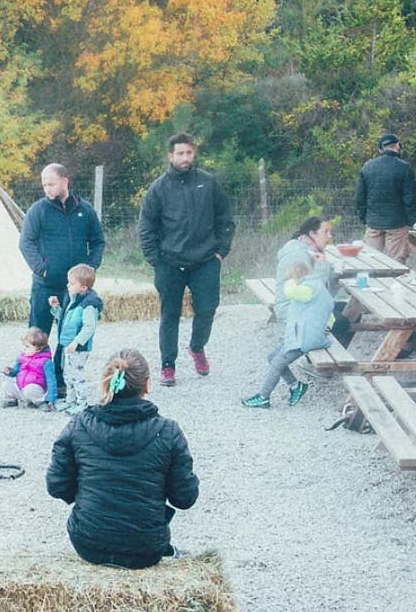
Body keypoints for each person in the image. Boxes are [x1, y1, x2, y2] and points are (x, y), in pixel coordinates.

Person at [46, 348, 199, 570]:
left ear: (105, 382)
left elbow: (57, 486)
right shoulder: (168, 431)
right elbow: (185, 498)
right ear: (147, 385)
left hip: (88, 542)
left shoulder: (79, 425)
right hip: (146, 547)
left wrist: (87, 493)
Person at [138, 132, 235, 387]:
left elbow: (225, 218)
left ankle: (197, 347)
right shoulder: (158, 188)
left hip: (205, 260)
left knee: (207, 308)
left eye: (189, 153)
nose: (184, 157)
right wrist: (155, 259)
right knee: (169, 314)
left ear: (194, 154)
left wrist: (220, 251)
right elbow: (146, 226)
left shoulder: (208, 183)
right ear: (170, 156)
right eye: (180, 153)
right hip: (169, 262)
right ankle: (168, 365)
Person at [19, 163, 105, 334]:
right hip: (45, 286)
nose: (47, 189)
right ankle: (37, 363)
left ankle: (64, 363)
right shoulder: (38, 210)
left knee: (70, 338)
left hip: (75, 287)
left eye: (51, 184)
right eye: (44, 185)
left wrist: (90, 267)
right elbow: (26, 242)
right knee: (37, 337)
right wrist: (41, 269)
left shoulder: (85, 210)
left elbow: (98, 241)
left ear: (65, 181)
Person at [242, 260, 332, 409]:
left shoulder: (308, 288)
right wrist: (328, 324)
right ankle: (296, 386)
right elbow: (328, 306)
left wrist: (291, 280)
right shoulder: (317, 286)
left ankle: (263, 396)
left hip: (305, 338)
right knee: (272, 357)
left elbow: (289, 291)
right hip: (304, 334)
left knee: (277, 363)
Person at [274, 216, 352, 347]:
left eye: (330, 232)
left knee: (348, 310)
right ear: (311, 234)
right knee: (341, 322)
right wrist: (322, 266)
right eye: (325, 232)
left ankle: (333, 357)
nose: (329, 236)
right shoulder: (299, 255)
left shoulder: (308, 250)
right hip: (291, 308)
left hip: (302, 303)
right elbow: (314, 292)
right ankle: (315, 358)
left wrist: (334, 273)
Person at [47, 263, 103, 413]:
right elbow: (66, 321)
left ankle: (82, 403)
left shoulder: (88, 306)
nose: (68, 286)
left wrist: (77, 342)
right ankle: (70, 400)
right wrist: (56, 308)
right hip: (68, 345)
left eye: (71, 283)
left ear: (83, 287)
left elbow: (89, 327)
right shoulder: (73, 300)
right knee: (67, 374)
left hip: (78, 348)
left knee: (77, 375)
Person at [355, 133, 416, 264]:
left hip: (373, 223)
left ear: (380, 150)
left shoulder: (367, 167)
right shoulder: (405, 167)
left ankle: (371, 284)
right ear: (398, 146)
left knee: (370, 262)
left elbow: (360, 198)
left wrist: (364, 219)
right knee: (395, 265)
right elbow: (410, 199)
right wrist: (410, 220)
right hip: (397, 223)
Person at [0, 327, 58, 410]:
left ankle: (40, 401)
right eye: (23, 346)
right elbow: (16, 371)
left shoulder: (46, 362)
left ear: (38, 349)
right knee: (6, 385)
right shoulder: (21, 357)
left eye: (27, 347)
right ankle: (11, 400)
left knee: (31, 390)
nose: (23, 349)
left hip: (34, 388)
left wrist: (51, 398)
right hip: (20, 387)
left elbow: (51, 381)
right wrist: (10, 371)